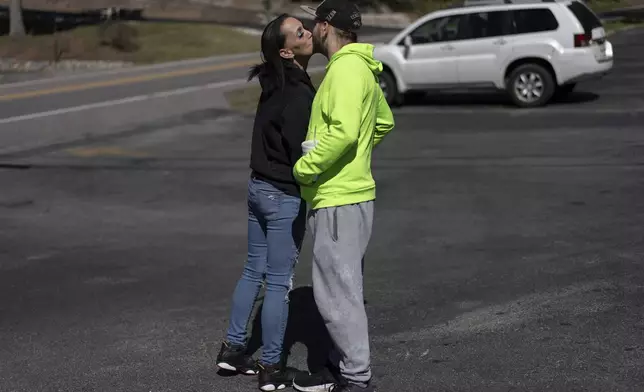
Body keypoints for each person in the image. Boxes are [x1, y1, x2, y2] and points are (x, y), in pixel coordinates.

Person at [291, 1, 395, 391]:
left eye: (313, 22)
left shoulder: (346, 70)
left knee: (338, 294)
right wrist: (359, 156)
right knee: (344, 287)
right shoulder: (359, 68)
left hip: (338, 198)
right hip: (351, 195)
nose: (310, 28)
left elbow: (345, 132)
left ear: (325, 27)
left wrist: (306, 167)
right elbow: (382, 122)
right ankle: (340, 366)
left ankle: (355, 378)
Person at [215, 13, 316, 392]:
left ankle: (233, 349)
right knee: (278, 283)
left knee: (253, 270)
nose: (309, 33)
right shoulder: (298, 92)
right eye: (300, 32)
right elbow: (300, 154)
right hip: (281, 196)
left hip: (258, 188)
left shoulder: (273, 82)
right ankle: (272, 366)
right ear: (287, 50)